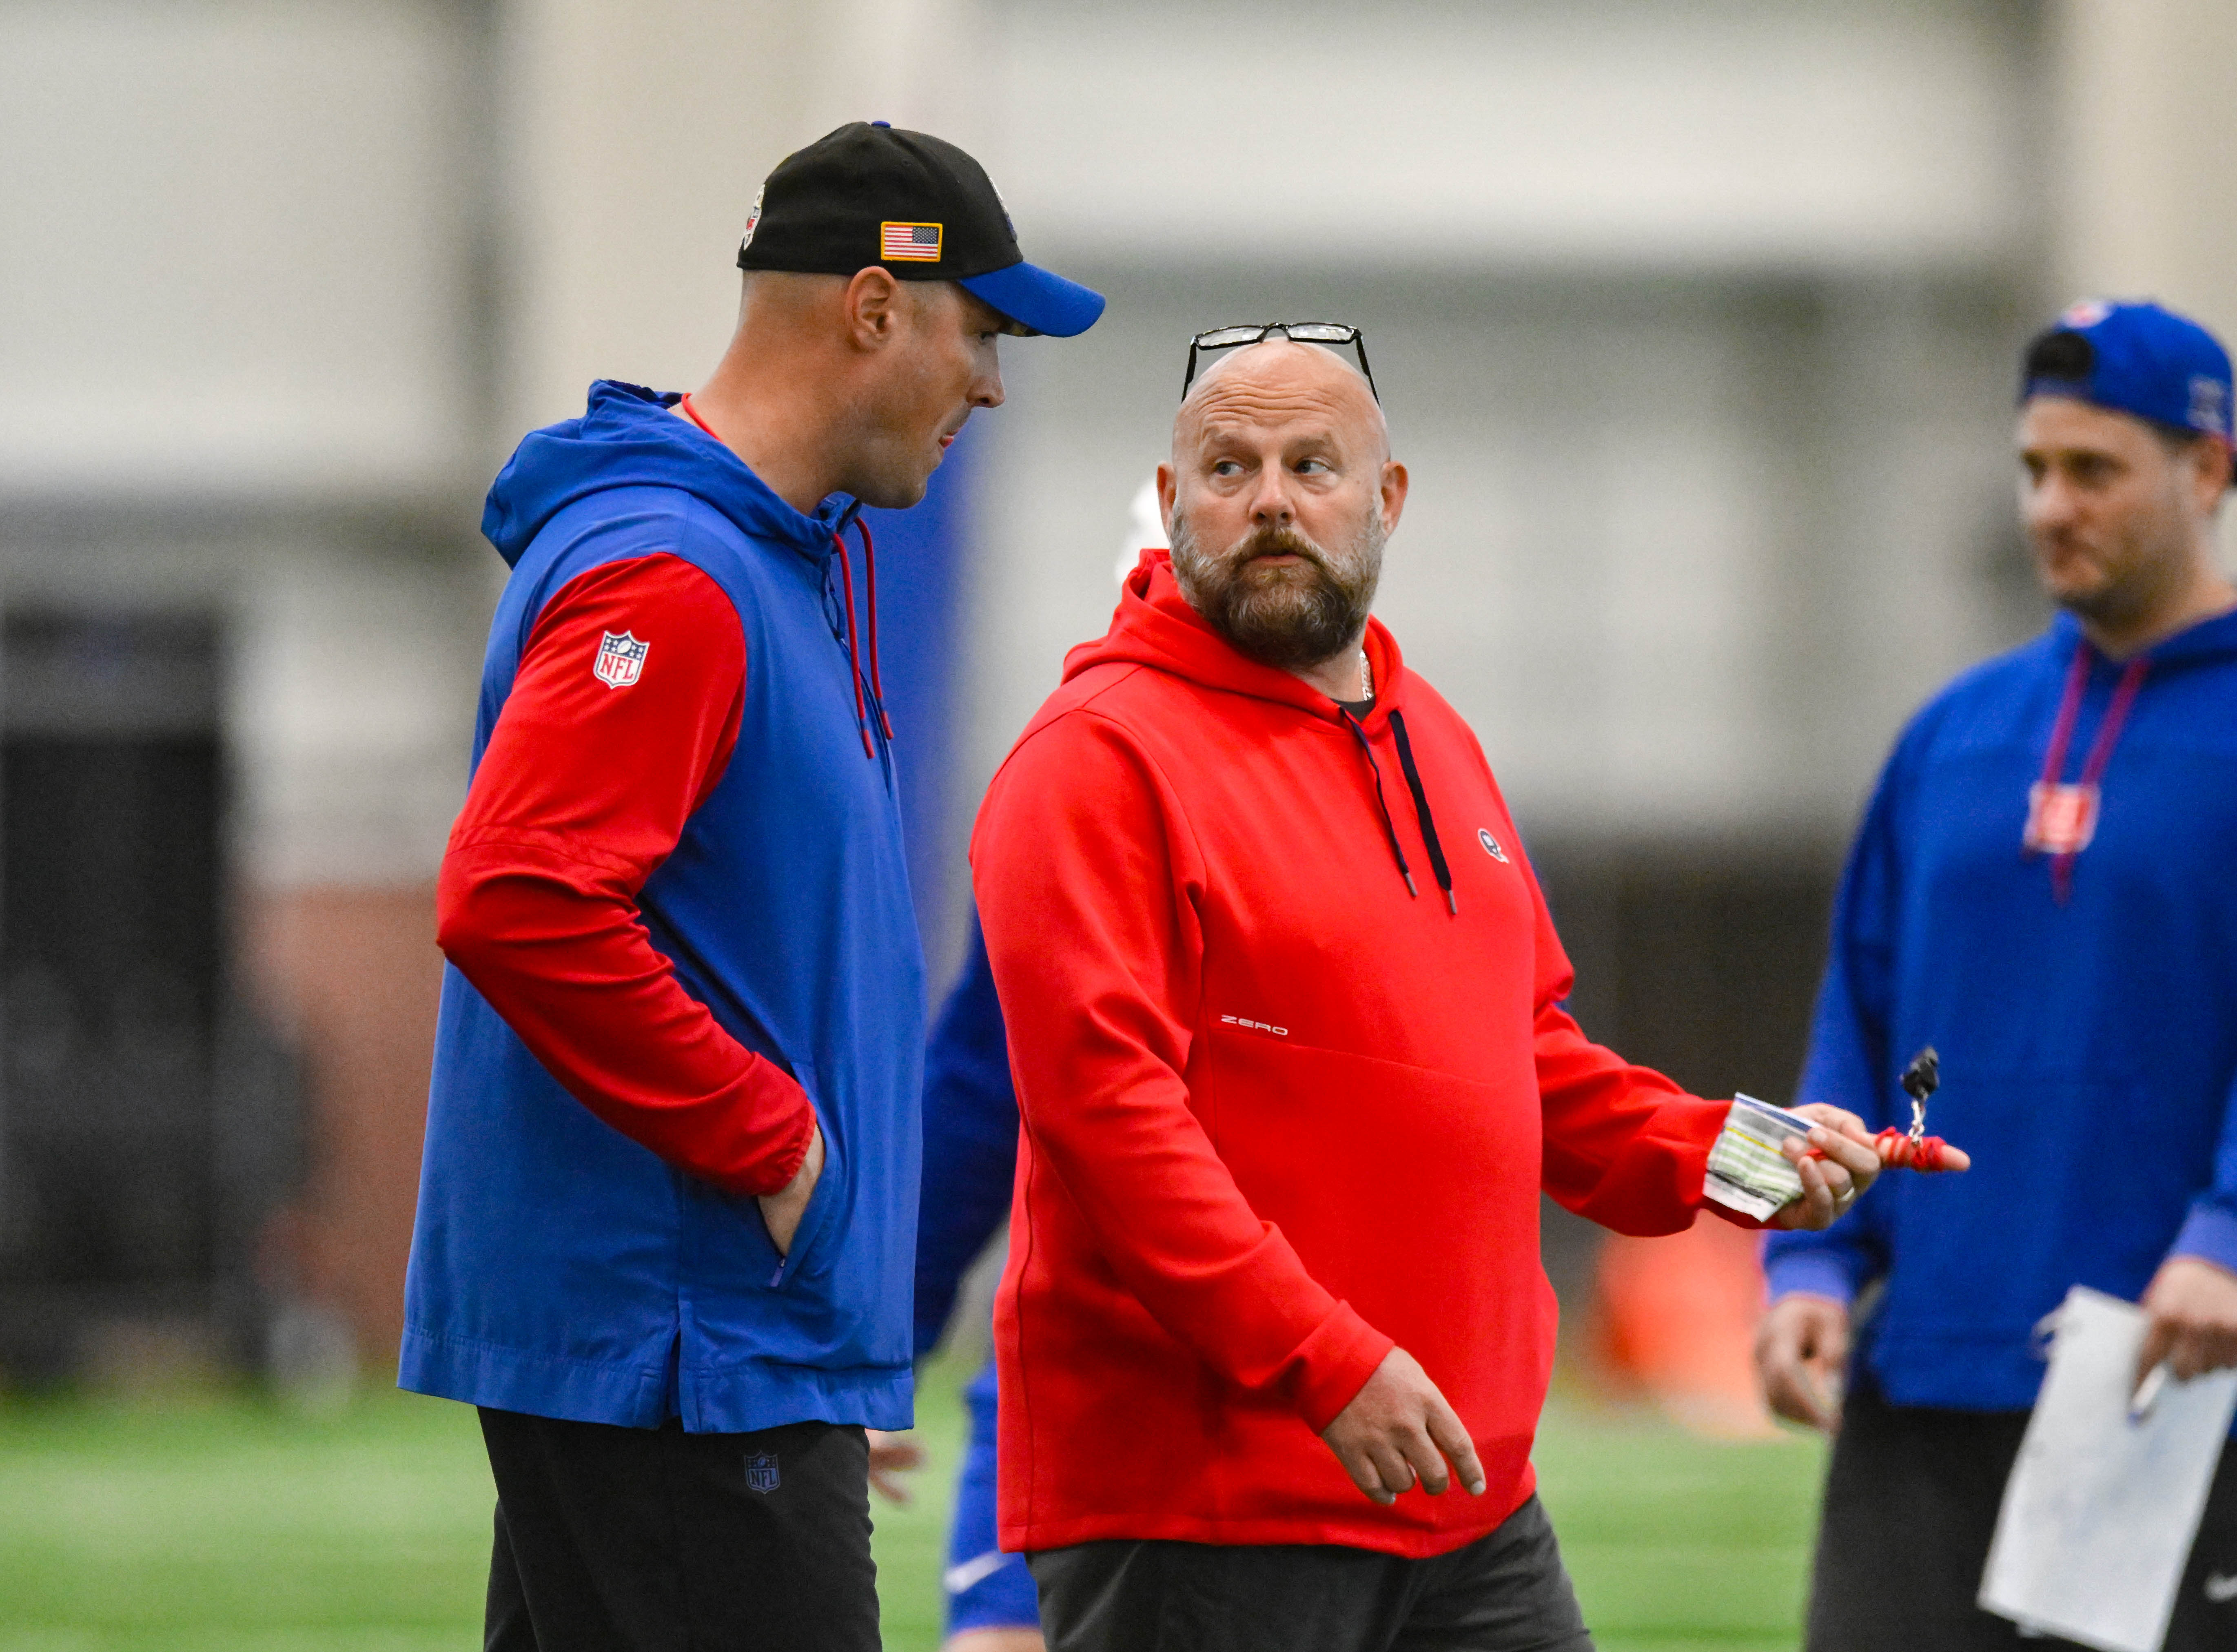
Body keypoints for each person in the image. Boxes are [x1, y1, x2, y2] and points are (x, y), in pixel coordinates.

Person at [968, 327, 1899, 1652]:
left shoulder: (1434, 738)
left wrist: (1739, 1156)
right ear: (1172, 507)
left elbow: (1522, 1057)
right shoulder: (1095, 763)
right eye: (1228, 467)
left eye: (1311, 463)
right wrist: (1326, 1359)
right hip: (1212, 1506)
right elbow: (1109, 1121)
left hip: (1463, 1492)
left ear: (1387, 498)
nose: (1272, 499)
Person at [398, 121, 1102, 1652]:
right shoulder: (678, 575)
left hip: (716, 1345)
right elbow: (519, 895)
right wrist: (772, 1143)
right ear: (872, 310)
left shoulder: (768, 559)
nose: (989, 381)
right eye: (978, 332)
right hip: (691, 1352)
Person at [1756, 298, 2237, 1650]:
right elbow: (1851, 1027)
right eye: (2032, 469)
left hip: (2180, 1386)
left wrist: (2227, 1234)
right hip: (1925, 1384)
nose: (2046, 506)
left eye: (2093, 470)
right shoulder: (1949, 738)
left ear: (2206, 471)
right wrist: (1799, 1261)